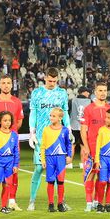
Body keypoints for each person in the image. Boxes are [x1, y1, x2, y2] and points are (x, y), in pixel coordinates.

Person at [28, 70, 70, 211]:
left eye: (54, 81)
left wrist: (69, 128)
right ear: (45, 78)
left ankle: (60, 202)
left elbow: (65, 113)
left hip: (58, 138)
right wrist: (32, 132)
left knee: (58, 171)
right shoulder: (37, 93)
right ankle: (32, 200)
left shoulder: (62, 93)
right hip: (42, 137)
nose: (52, 83)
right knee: (39, 168)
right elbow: (33, 112)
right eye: (49, 81)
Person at [0, 76, 24, 209]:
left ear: (12, 85)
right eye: (3, 83)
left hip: (12, 142)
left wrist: (10, 136)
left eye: (8, 83)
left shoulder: (17, 102)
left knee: (14, 171)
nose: (6, 85)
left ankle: (12, 201)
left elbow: (19, 121)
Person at [78, 81, 110, 212]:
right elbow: (83, 130)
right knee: (90, 174)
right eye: (100, 90)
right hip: (92, 147)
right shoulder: (88, 109)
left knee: (101, 175)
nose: (103, 93)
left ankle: (97, 201)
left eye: (105, 91)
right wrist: (86, 147)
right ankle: (88, 202)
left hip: (105, 148)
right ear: (95, 92)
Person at [39, 107, 74, 212]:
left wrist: (69, 156)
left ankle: (60, 203)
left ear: (60, 118)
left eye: (54, 116)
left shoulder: (65, 130)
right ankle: (50, 204)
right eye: (50, 115)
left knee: (60, 181)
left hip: (61, 158)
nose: (51, 118)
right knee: (50, 181)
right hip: (50, 158)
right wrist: (43, 160)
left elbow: (68, 144)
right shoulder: (46, 130)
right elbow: (43, 146)